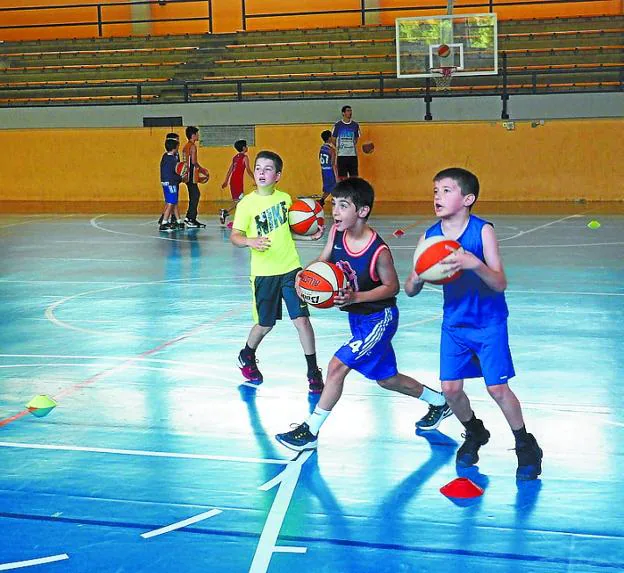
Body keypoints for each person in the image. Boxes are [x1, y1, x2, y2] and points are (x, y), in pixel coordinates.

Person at [275, 177, 451, 452]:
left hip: (379, 319)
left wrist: (356, 297)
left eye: (343, 206)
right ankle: (440, 402)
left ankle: (310, 431)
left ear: (362, 211)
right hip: (358, 321)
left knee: (336, 367)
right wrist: (305, 277)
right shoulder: (336, 234)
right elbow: (322, 262)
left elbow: (392, 287)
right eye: (334, 205)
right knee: (387, 379)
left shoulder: (378, 250)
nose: (335, 212)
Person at [404, 167, 543, 481]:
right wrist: (415, 276)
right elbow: (410, 290)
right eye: (436, 190)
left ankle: (526, 445)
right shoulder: (429, 237)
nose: (438, 196)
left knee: (497, 388)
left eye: (446, 190)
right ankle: (475, 431)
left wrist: (474, 263)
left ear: (468, 198)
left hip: (488, 322)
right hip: (454, 323)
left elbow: (499, 282)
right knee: (450, 390)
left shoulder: (482, 231)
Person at [230, 150, 325, 394]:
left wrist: (308, 234)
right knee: (265, 324)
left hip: (291, 268)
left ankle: (313, 371)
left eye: (268, 169)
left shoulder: (285, 199)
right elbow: (236, 236)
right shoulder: (247, 204)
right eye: (259, 168)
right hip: (263, 273)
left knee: (302, 320)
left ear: (278, 175)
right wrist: (250, 241)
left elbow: (285, 231)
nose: (261, 172)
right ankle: (247, 354)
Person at [220, 139, 254, 225]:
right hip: (238, 182)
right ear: (243, 148)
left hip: (233, 181)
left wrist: (226, 181)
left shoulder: (235, 157)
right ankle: (235, 219)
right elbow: (248, 170)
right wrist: (256, 179)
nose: (247, 147)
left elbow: (230, 170)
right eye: (246, 146)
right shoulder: (245, 157)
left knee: (238, 202)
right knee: (240, 202)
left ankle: (226, 213)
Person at [181, 126, 207, 228]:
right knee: (195, 195)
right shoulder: (192, 146)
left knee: (194, 195)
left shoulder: (185, 146)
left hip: (186, 174)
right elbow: (193, 162)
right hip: (191, 174)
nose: (198, 135)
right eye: (197, 133)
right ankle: (190, 218)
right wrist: (202, 170)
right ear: (193, 135)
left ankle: (190, 218)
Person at [158, 137, 184, 232]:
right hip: (171, 183)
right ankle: (164, 222)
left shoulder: (165, 157)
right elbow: (172, 174)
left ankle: (178, 220)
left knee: (174, 202)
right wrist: (181, 178)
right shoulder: (172, 160)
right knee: (170, 203)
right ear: (176, 147)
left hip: (166, 182)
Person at [331, 105, 360, 180]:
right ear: (343, 113)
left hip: (352, 155)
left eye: (351, 111)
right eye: (348, 111)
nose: (350, 113)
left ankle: (353, 192)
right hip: (342, 156)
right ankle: (344, 192)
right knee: (343, 179)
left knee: (354, 178)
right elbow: (333, 139)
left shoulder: (355, 125)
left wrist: (350, 146)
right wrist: (340, 147)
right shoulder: (338, 125)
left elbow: (356, 139)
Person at [318, 130, 337, 208]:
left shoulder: (322, 148)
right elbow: (333, 163)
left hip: (324, 170)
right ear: (329, 138)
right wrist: (336, 174)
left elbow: (319, 158)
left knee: (328, 188)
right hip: (330, 170)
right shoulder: (331, 150)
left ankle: (321, 201)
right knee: (335, 186)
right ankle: (336, 202)